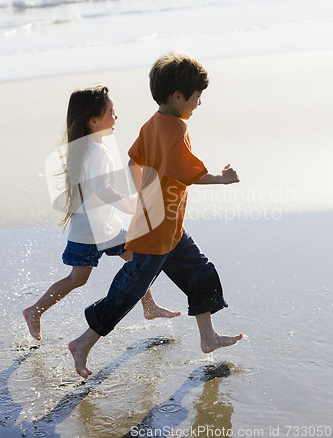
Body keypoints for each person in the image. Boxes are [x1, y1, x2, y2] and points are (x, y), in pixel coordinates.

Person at [69, 53, 243, 379]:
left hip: (169, 225)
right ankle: (83, 342)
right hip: (156, 231)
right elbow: (184, 171)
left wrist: (142, 194)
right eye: (197, 97)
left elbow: (135, 160)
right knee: (129, 290)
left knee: (200, 272)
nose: (199, 103)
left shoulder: (153, 123)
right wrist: (221, 178)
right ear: (178, 96)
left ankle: (207, 336)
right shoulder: (175, 129)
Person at [23, 85, 180, 341]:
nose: (115, 117)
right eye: (111, 113)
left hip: (102, 226)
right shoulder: (95, 150)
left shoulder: (88, 147)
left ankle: (148, 306)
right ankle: (35, 311)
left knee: (137, 261)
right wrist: (131, 205)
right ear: (94, 121)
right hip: (91, 232)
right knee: (78, 278)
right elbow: (103, 190)